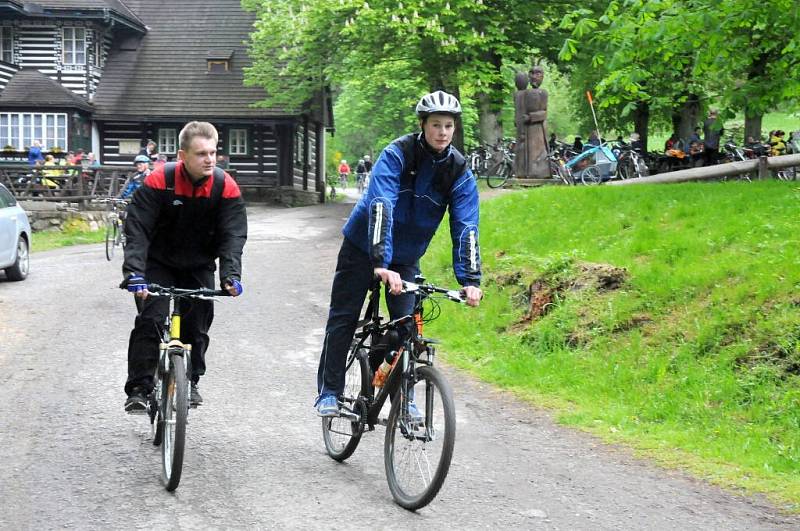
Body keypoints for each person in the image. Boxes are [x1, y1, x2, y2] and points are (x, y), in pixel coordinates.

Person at [314, 90, 483, 417]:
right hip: (364, 246)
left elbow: (467, 226)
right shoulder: (397, 154)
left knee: (407, 328)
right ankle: (330, 393)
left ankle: (403, 399)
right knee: (344, 318)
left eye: (448, 126)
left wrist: (470, 279)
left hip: (405, 256)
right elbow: (381, 207)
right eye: (436, 125)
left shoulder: (458, 171)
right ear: (423, 124)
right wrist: (380, 262)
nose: (442, 132)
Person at [121, 121, 247, 412]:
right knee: (151, 320)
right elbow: (137, 229)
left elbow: (233, 234)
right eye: (201, 153)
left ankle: (190, 380)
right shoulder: (158, 180)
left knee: (197, 324)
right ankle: (139, 387)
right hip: (157, 262)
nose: (209, 159)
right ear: (182, 155)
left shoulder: (224, 185)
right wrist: (134, 273)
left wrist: (231, 274)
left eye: (213, 153)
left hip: (199, 263)